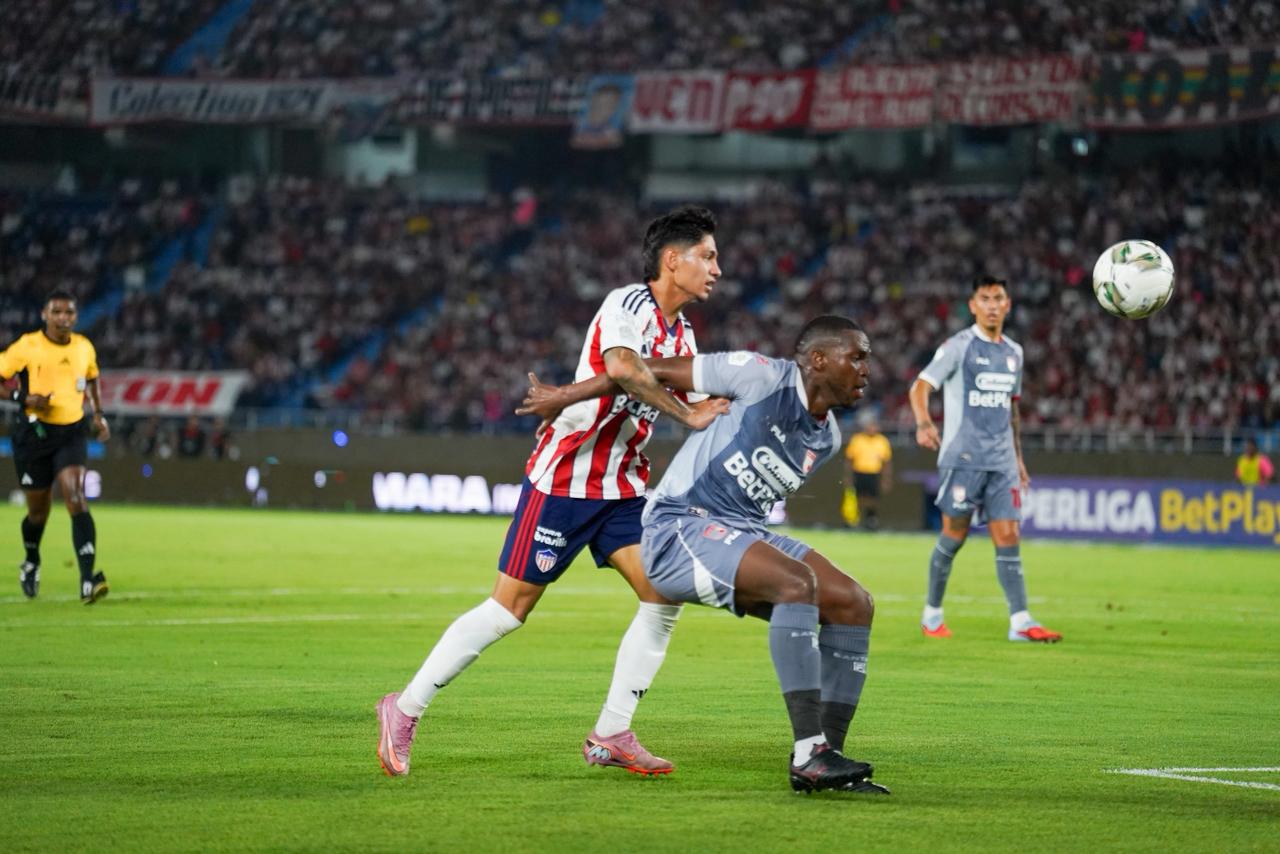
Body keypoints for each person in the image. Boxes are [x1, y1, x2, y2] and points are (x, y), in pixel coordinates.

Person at [376, 206, 730, 777]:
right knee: (508, 610)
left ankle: (612, 733)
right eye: (708, 256)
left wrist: (701, 407)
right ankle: (404, 706)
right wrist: (686, 417)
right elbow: (623, 368)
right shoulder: (627, 304)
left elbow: (648, 382)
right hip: (565, 481)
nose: (717, 268)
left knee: (662, 595)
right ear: (672, 260)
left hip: (623, 487)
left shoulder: (681, 330)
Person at [519, 315, 888, 794]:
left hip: (739, 531)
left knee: (854, 603)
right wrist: (564, 397)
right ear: (818, 359)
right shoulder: (758, 376)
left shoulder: (829, 437)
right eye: (856, 356)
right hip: (678, 525)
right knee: (796, 583)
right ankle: (809, 753)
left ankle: (826, 758)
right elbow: (636, 369)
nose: (866, 369)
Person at [908, 276, 1060, 643]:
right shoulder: (958, 347)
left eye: (999, 298)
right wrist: (924, 422)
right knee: (954, 534)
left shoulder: (1014, 353)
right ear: (973, 305)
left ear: (1008, 305)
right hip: (963, 456)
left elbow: (1013, 410)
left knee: (1008, 535)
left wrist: (1019, 458)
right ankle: (932, 614)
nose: (992, 305)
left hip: (1002, 459)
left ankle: (1020, 621)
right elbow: (921, 386)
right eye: (985, 298)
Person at [0, 290, 110, 603]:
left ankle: (88, 580)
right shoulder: (27, 346)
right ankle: (31, 560)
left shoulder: (83, 347)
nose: (64, 318)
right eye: (57, 312)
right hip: (33, 436)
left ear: (76, 316)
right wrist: (23, 398)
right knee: (38, 512)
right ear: (44, 314)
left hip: (71, 433)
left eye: (69, 313)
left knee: (75, 496)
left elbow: (92, 378)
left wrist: (98, 414)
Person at [844, 411, 892, 531]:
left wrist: (886, 479)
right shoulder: (857, 439)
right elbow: (849, 459)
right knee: (857, 498)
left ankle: (871, 520)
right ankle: (855, 521)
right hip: (859, 472)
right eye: (870, 425)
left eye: (874, 425)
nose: (872, 428)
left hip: (874, 473)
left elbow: (886, 462)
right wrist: (847, 476)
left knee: (873, 498)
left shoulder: (882, 441)